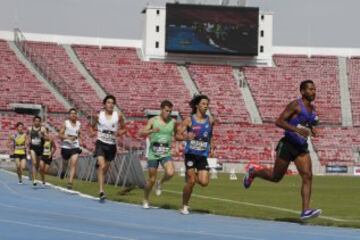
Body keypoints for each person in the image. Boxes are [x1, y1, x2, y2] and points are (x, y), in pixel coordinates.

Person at [243, 80, 322, 220]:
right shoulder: (295, 105)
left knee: (308, 176)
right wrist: (296, 130)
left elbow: (308, 124)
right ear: (302, 91)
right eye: (310, 89)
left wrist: (312, 130)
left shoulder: (313, 109)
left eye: (314, 89)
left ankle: (305, 211)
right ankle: (253, 172)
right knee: (276, 177)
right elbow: (279, 121)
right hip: (287, 145)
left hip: (301, 147)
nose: (313, 92)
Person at [176, 95, 216, 215]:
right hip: (191, 154)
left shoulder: (210, 120)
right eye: (203, 104)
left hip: (202, 155)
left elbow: (210, 135)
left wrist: (212, 147)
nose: (206, 106)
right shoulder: (189, 120)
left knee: (204, 182)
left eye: (207, 104)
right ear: (197, 105)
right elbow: (177, 135)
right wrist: (186, 137)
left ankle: (191, 175)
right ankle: (184, 206)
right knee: (192, 181)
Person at [140, 100, 177, 209]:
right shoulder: (153, 120)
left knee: (170, 173)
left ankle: (160, 183)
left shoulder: (173, 122)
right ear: (161, 109)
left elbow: (176, 134)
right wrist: (152, 131)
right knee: (151, 180)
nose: (168, 113)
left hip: (165, 153)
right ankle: (146, 198)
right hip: (153, 154)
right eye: (166, 111)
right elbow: (141, 132)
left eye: (170, 111)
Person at [91, 95, 126, 201]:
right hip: (101, 143)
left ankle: (99, 170)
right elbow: (92, 127)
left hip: (111, 145)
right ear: (104, 104)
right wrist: (92, 132)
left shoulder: (118, 116)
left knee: (105, 168)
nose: (110, 105)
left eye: (112, 103)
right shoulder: (99, 116)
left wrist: (119, 133)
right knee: (102, 166)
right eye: (108, 102)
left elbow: (124, 129)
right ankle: (101, 191)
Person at [59, 108, 82, 190]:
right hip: (66, 147)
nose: (73, 115)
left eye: (75, 113)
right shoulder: (66, 123)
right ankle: (63, 171)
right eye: (71, 113)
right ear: (69, 115)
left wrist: (81, 140)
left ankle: (70, 182)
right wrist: (68, 138)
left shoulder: (79, 124)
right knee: (65, 163)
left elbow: (79, 134)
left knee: (73, 164)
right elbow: (60, 135)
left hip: (75, 146)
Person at [27, 116, 46, 186]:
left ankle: (43, 179)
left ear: (40, 122)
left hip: (40, 148)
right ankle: (34, 180)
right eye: (36, 121)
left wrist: (42, 136)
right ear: (33, 121)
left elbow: (47, 138)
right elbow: (28, 138)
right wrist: (27, 146)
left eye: (38, 121)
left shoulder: (43, 129)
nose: (37, 122)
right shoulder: (30, 129)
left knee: (39, 166)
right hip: (32, 148)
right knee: (34, 163)